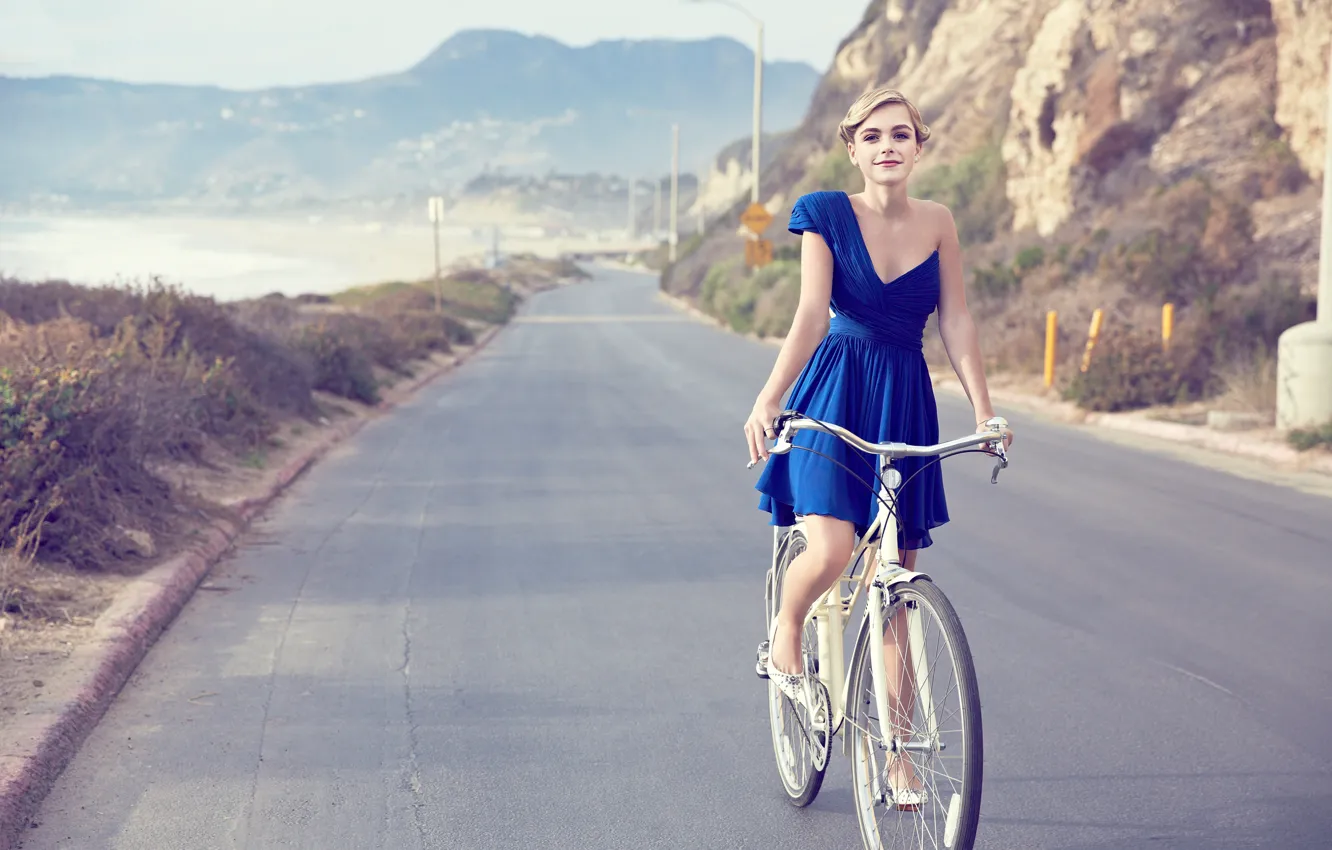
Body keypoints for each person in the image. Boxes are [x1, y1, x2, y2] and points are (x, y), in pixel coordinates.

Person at [744, 87, 1014, 803]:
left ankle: (897, 754)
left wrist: (986, 412)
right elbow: (810, 314)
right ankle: (787, 629)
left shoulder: (939, 221)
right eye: (873, 136)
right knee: (832, 551)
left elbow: (956, 319)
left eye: (901, 134)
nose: (887, 145)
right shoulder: (826, 214)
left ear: (920, 146)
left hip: (906, 400)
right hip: (835, 390)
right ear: (853, 147)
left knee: (893, 589)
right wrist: (770, 397)